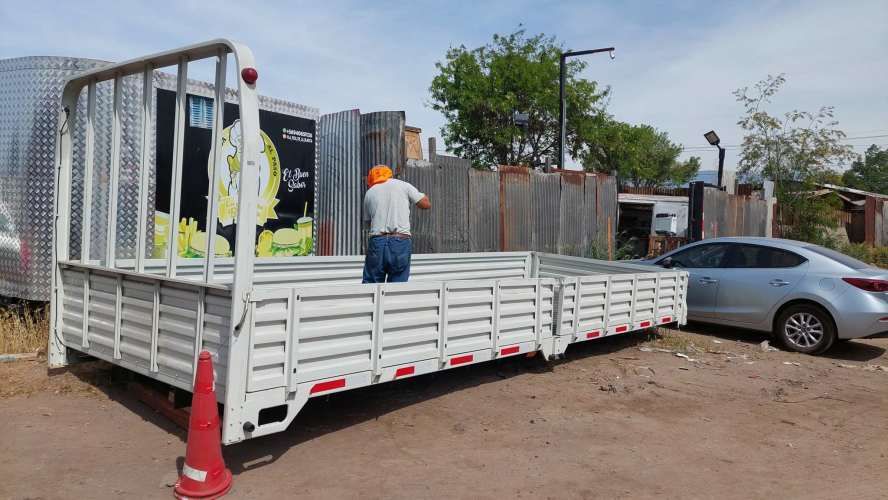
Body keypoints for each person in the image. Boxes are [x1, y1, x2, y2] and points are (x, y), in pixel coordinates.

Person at [362, 165, 431, 283]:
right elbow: (425, 204)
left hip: (377, 242)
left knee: (371, 287)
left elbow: (368, 223)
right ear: (390, 174)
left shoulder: (370, 192)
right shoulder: (403, 185)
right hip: (400, 241)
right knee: (396, 287)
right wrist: (422, 196)